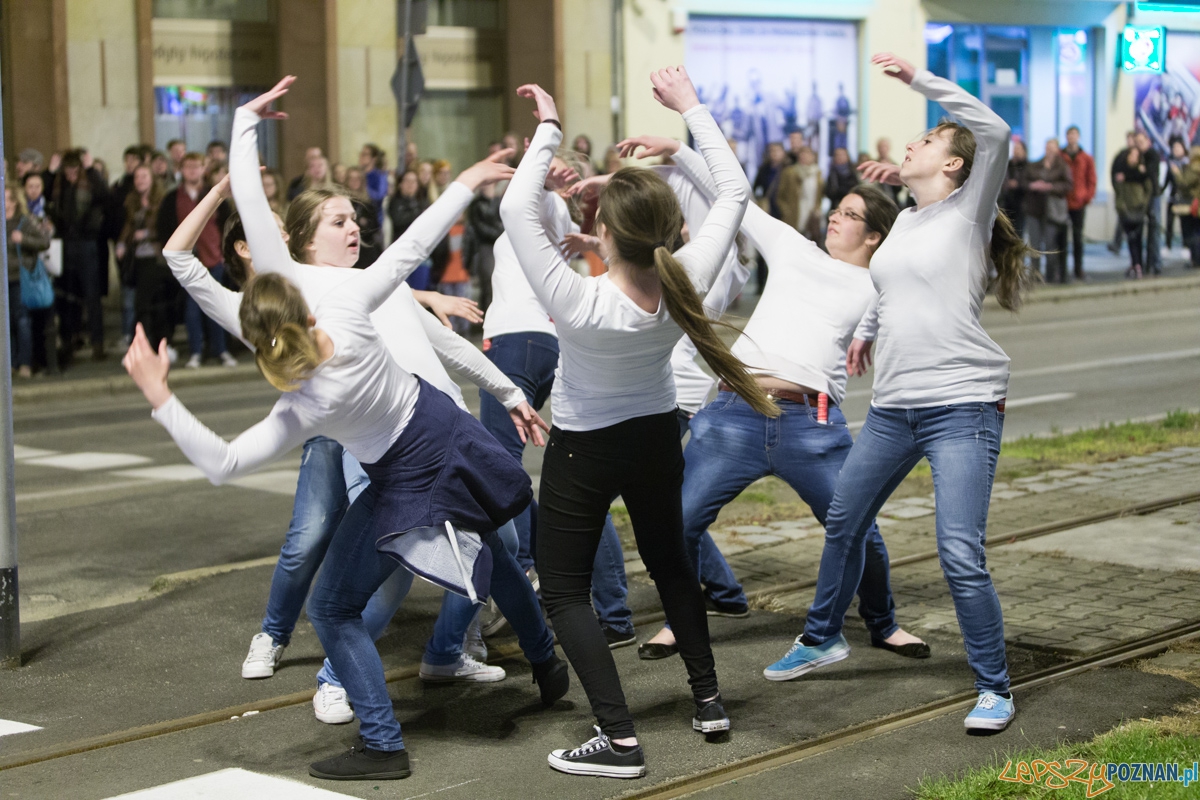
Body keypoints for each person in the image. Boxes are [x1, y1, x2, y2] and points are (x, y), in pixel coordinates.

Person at [156, 79, 566, 781]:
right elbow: (408, 246)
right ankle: (542, 666)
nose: (353, 229)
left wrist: (157, 393)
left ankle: (384, 739)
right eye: (337, 221)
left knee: (359, 594)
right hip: (437, 440)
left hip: (409, 459)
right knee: (480, 553)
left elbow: (224, 460)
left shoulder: (301, 395)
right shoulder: (344, 294)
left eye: (353, 219)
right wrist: (466, 181)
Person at [501, 70, 765, 778]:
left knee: (561, 588)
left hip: (585, 450)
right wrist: (690, 109)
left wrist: (549, 130)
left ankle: (618, 739)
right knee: (671, 562)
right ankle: (708, 699)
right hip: (655, 436)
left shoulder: (579, 300)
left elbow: (512, 207)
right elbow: (734, 191)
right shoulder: (687, 276)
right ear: (671, 227)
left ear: (604, 229)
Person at [771, 52, 1036, 734]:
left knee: (958, 553)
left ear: (953, 165)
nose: (912, 142)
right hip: (893, 407)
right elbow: (886, 284)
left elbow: (997, 133)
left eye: (927, 139)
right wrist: (864, 331)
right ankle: (823, 635)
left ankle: (994, 688)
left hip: (961, 407)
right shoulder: (912, 224)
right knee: (844, 519)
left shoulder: (968, 212)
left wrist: (920, 78)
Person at [619, 134, 932, 665]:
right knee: (678, 522)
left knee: (856, 528)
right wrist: (677, 148)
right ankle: (680, 621)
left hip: (812, 426)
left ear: (876, 236)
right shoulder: (793, 249)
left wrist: (918, 182)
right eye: (838, 208)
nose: (835, 216)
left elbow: (940, 244)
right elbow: (732, 193)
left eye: (850, 214)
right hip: (733, 416)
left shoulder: (881, 286)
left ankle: (883, 624)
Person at [156, 151, 233, 368]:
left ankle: (221, 350)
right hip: (188, 260)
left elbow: (227, 224)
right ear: (181, 170)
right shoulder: (172, 198)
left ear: (203, 169)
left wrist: (225, 253)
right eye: (188, 166)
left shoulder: (213, 194)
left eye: (196, 166)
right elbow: (164, 228)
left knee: (218, 307)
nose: (192, 170)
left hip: (213, 257)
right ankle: (196, 351)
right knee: (192, 308)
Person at [47, 149, 109, 363]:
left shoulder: (89, 182)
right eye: (67, 170)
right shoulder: (59, 185)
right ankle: (69, 341)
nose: (71, 174)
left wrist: (91, 169)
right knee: (67, 295)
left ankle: (97, 344)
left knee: (92, 296)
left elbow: (104, 195)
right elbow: (45, 195)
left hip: (86, 244)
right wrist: (50, 171)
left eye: (75, 170)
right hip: (65, 243)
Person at [115, 164, 167, 353]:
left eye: (144, 176)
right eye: (137, 177)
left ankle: (154, 345)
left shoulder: (161, 200)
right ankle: (148, 346)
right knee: (143, 304)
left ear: (152, 178)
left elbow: (165, 227)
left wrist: (146, 233)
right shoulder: (132, 201)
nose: (140, 180)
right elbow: (128, 226)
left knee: (146, 303)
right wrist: (121, 243)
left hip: (155, 256)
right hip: (138, 258)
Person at [6, 185, 51, 379]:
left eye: (7, 198)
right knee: (7, 325)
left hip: (20, 277)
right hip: (3, 280)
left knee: (22, 321)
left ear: (15, 201)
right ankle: (12, 364)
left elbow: (44, 242)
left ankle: (25, 363)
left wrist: (23, 239)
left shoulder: (24, 222)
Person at [1023, 138, 1072, 284]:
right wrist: (1034, 185)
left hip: (1052, 211)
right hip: (1034, 209)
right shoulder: (1035, 165)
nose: (1049, 150)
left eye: (1052, 148)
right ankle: (1035, 275)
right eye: (1047, 147)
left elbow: (1068, 185)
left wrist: (1050, 187)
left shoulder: (1062, 166)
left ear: (1057, 149)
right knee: (1034, 244)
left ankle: (1051, 275)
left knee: (1051, 244)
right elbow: (1024, 181)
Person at [1113, 144, 1154, 279]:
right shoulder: (1121, 172)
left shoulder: (1142, 172)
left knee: (1137, 238)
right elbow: (1118, 191)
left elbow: (1149, 189)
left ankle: (1138, 265)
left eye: (1136, 156)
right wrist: (1120, 207)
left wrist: (1144, 205)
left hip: (1138, 208)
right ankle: (1135, 264)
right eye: (1131, 155)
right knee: (1130, 239)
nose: (1133, 158)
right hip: (1126, 209)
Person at [1062, 126, 1096, 281]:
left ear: (1078, 137)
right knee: (1061, 238)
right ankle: (1061, 270)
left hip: (1079, 202)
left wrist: (1087, 197)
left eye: (1074, 135)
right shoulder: (1060, 156)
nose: (1072, 138)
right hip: (1062, 202)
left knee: (1077, 238)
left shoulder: (1086, 158)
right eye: (1069, 135)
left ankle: (1078, 269)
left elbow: (1091, 179)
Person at [387, 170, 431, 289]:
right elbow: (398, 220)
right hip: (401, 256)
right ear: (400, 184)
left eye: (414, 181)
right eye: (407, 181)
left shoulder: (423, 203)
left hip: (420, 254)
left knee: (419, 293)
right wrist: (418, 214)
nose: (410, 184)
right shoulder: (395, 202)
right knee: (403, 292)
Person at [465, 179, 504, 312]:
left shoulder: (500, 202)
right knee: (488, 283)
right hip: (485, 248)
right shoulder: (476, 205)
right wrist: (499, 233)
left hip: (502, 248)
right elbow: (479, 228)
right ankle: (488, 318)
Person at [776, 145, 823, 241]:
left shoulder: (817, 173)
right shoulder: (790, 172)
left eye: (808, 153)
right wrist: (786, 211)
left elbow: (819, 195)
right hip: (794, 213)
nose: (804, 156)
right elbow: (780, 195)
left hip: (811, 214)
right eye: (802, 153)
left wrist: (817, 209)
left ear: (813, 156)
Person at [1135, 130, 1164, 275]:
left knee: (1155, 230)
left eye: (1141, 142)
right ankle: (1144, 265)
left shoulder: (1152, 154)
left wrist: (1142, 170)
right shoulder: (1136, 156)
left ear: (1147, 141)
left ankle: (1156, 263)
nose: (1139, 145)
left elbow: (1150, 172)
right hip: (1140, 197)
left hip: (1153, 196)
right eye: (1137, 142)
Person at [344, 166, 383, 267]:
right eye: (351, 178)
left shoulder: (369, 204)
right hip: (347, 248)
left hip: (366, 248)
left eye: (357, 178)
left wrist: (365, 224)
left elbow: (376, 226)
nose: (354, 181)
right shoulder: (342, 203)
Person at [1171, 145, 1200, 269]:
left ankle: (1196, 259)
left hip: (1193, 205)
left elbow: (1184, 183)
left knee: (1193, 233)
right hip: (1195, 204)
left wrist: (1177, 173)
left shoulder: (1195, 169)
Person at [1108, 131, 1137, 254]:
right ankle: (1117, 243)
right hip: (1122, 193)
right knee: (1122, 217)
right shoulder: (1121, 155)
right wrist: (1116, 187)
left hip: (1135, 196)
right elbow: (1114, 172)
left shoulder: (1140, 156)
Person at [1164, 136, 1189, 255]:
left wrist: (1178, 173)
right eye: (1174, 148)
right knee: (1169, 222)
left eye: (1178, 148)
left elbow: (1186, 182)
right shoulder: (1171, 164)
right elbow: (1166, 181)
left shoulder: (1187, 164)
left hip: (1184, 198)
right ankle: (1168, 245)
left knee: (1185, 223)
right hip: (1173, 196)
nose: (1176, 150)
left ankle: (1186, 246)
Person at [1000, 138, 1028, 239]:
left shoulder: (1028, 166)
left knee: (1019, 234)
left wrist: (1018, 184)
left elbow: (1028, 183)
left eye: (1019, 148)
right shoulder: (1007, 164)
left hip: (1022, 204)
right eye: (1015, 148)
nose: (1016, 151)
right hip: (1007, 203)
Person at [824, 146, 859, 214]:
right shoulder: (832, 173)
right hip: (835, 207)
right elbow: (828, 192)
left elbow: (855, 189)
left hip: (851, 207)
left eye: (842, 155)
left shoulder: (853, 172)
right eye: (837, 155)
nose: (840, 157)